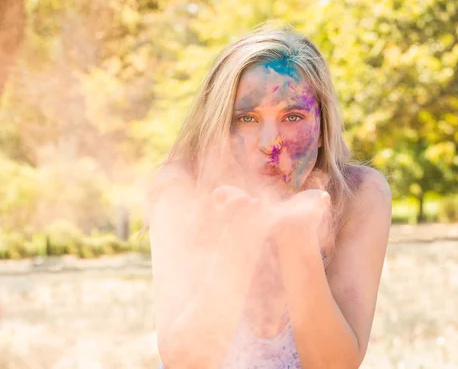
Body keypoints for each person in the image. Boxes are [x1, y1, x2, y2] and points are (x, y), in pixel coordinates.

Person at [147, 25, 392, 369]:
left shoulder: (359, 195)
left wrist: (298, 240)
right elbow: (186, 362)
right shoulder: (180, 189)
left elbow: (335, 365)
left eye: (293, 116)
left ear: (323, 128)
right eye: (246, 118)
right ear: (219, 126)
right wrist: (240, 236)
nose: (270, 142)